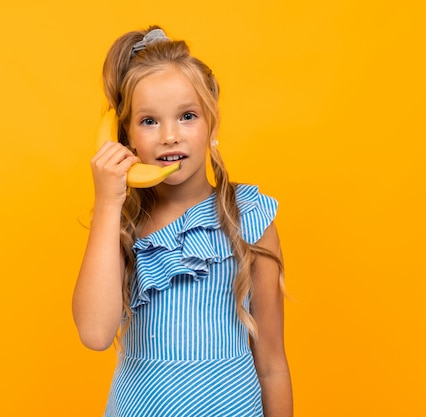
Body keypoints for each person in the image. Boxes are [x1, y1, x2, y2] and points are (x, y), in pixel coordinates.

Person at [72, 25, 293, 417]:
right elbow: (94, 333)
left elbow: (273, 365)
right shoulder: (121, 223)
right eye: (149, 121)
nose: (170, 136)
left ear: (211, 123)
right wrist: (107, 203)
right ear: (124, 136)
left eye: (187, 116)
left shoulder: (249, 218)